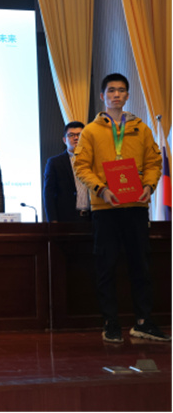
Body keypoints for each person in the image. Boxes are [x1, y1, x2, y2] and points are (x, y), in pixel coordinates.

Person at [73, 73, 170, 343]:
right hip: (105, 208)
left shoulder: (141, 128)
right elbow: (81, 166)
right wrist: (101, 189)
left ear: (127, 96)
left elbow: (154, 162)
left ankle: (143, 322)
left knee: (141, 265)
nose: (116, 95)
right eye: (111, 90)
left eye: (121, 90)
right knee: (106, 265)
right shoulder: (91, 131)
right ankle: (110, 322)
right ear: (102, 96)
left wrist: (149, 186)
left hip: (136, 206)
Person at [43, 121, 90, 222]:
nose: (76, 138)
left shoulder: (94, 160)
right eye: (71, 135)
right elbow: (48, 194)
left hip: (92, 218)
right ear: (65, 140)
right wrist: (53, 220)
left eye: (79, 135)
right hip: (66, 219)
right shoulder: (55, 162)